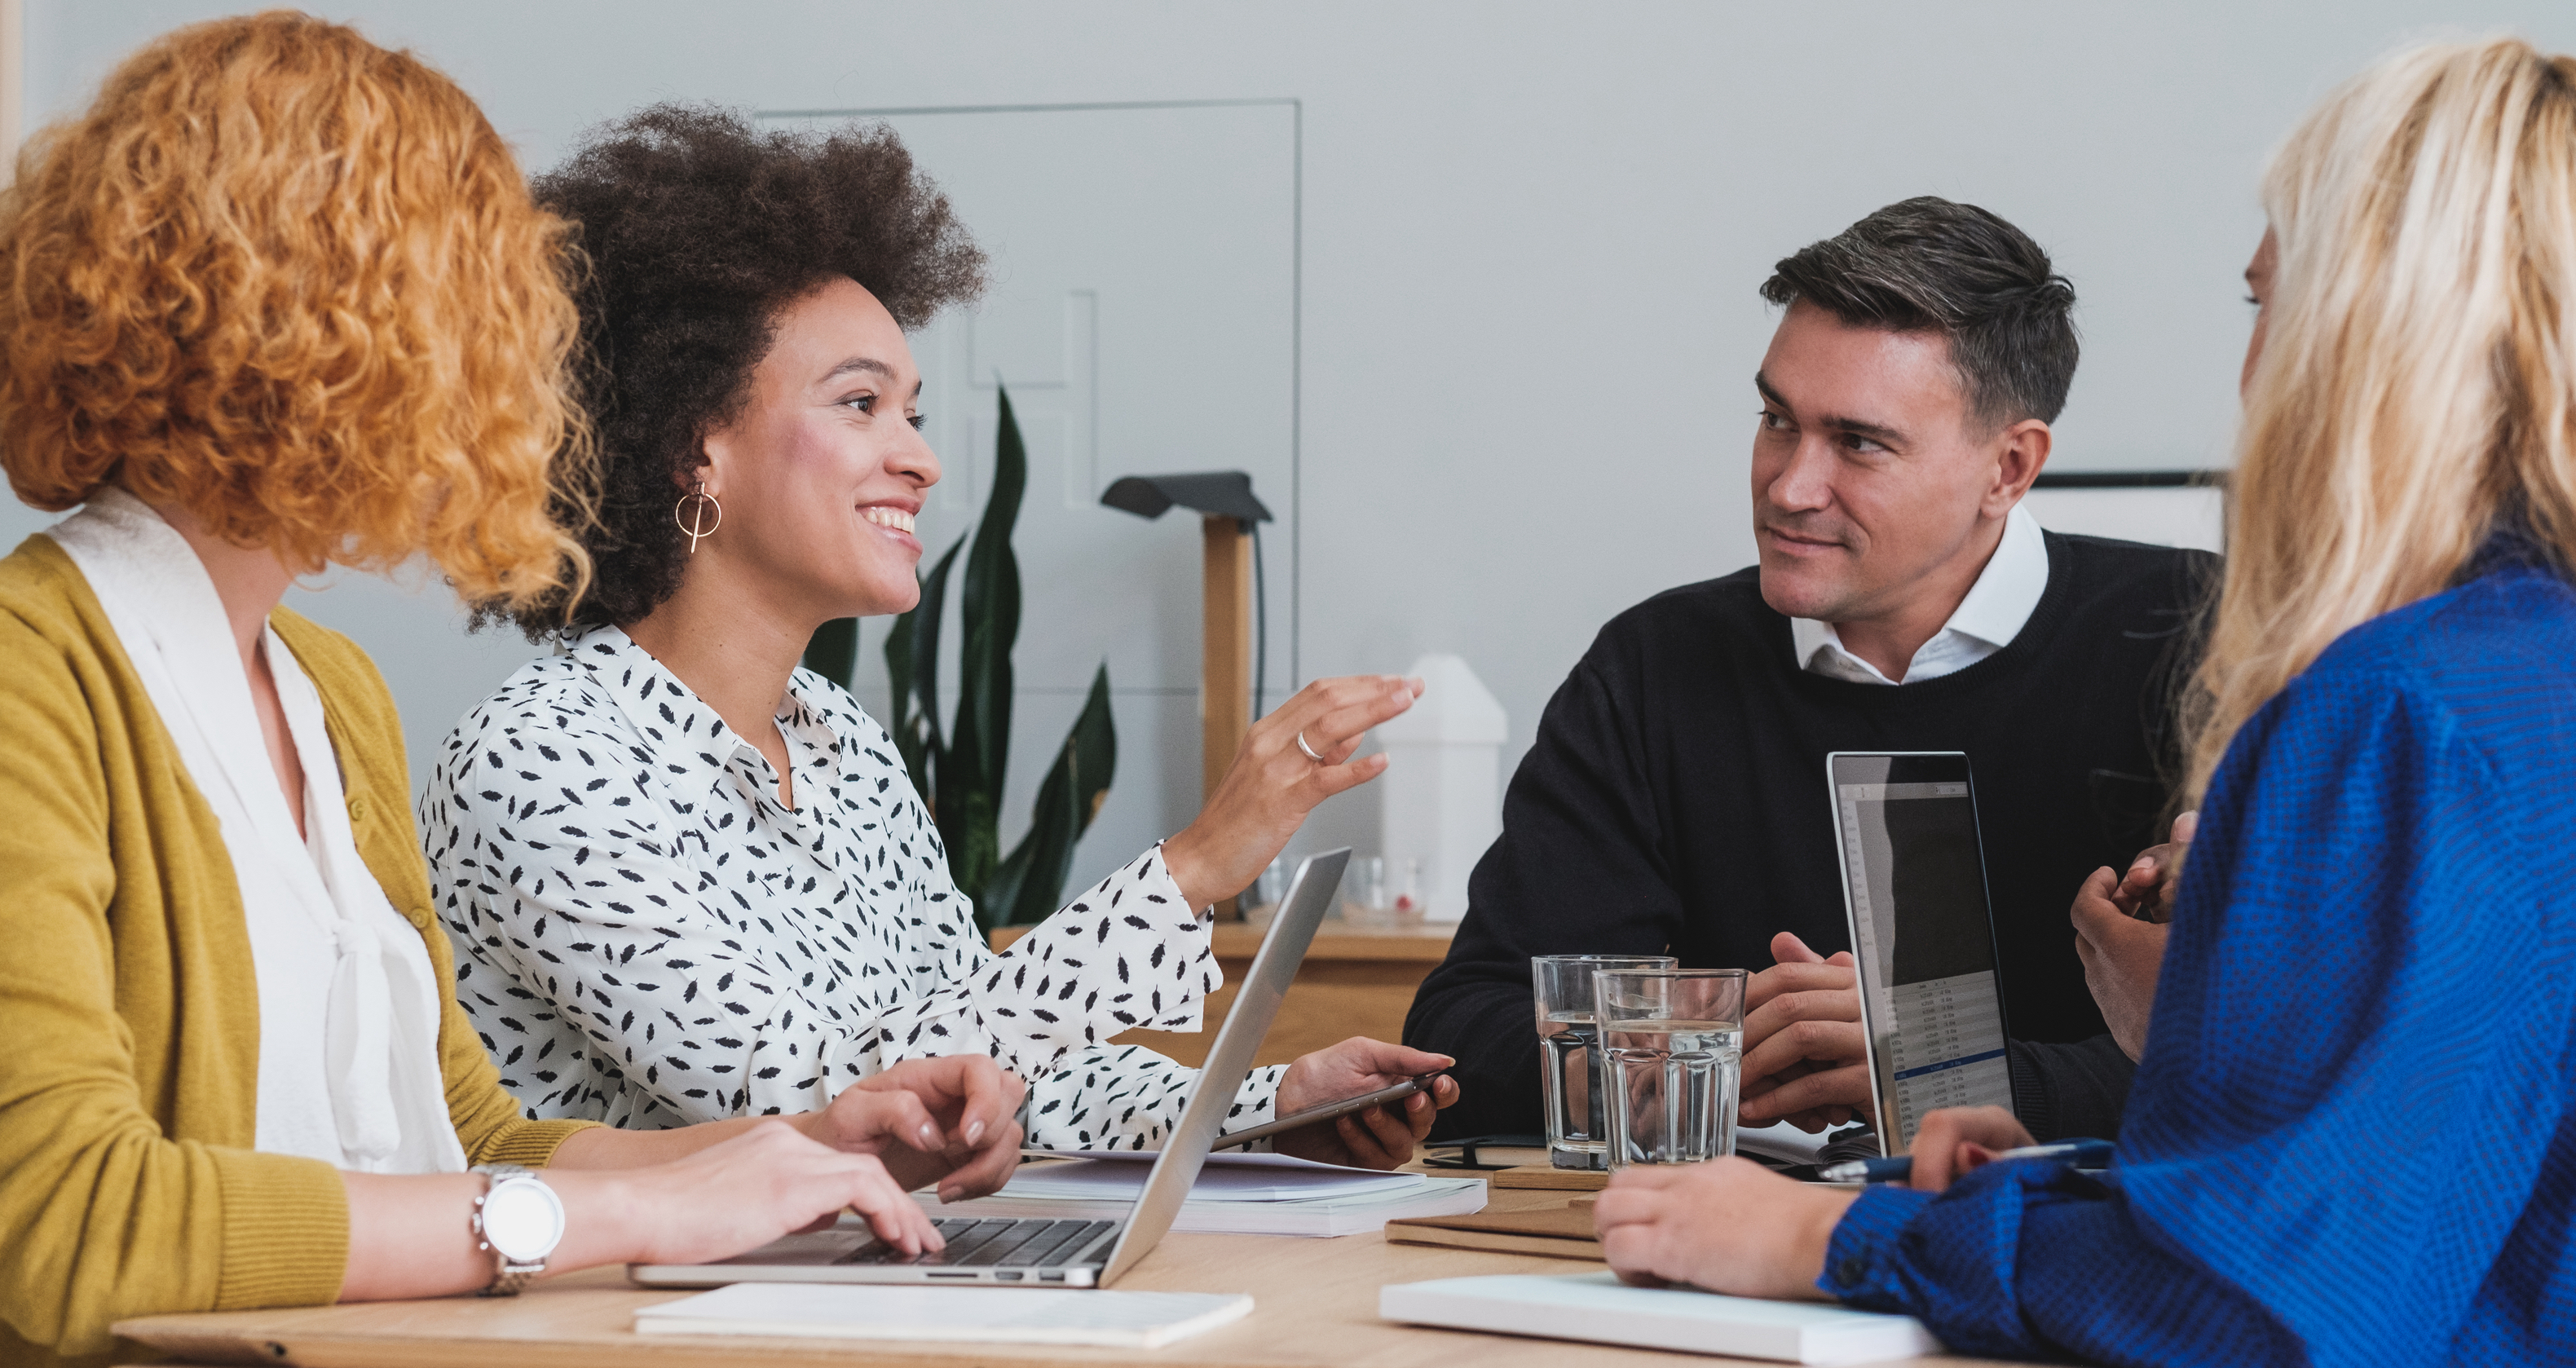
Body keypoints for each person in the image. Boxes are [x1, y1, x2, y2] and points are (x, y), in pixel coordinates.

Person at [0, 18, 1038, 1367]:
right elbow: (72, 1221)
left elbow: (465, 1144)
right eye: (470, 303)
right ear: (321, 323)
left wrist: (794, 1146)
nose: (511, 367)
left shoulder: (331, 693)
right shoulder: (34, 675)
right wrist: (622, 1206)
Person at [1595, 38, 2576, 1367]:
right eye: (1779, 422)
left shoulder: (2398, 708)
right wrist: (2073, 1171)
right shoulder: (2522, 672)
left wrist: (1822, 1241)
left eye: (2263, 306)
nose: (1790, 484)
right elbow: (2421, 1201)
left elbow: (2259, 1307)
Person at [421, 105, 1457, 1166]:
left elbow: (998, 1067)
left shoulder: (841, 741)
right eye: (861, 403)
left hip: (845, 1283)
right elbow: (831, 1104)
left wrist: (1275, 1101)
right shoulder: (539, 761)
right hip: (635, 1316)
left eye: (911, 410)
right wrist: (1193, 867)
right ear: (696, 450)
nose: (921, 459)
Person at [1405, 196, 2212, 1144]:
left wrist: (1930, 1075)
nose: (1787, 486)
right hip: (1717, 1256)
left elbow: (2302, 1057)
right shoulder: (1654, 666)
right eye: (1776, 419)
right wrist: (1700, 1043)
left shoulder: (2206, 643)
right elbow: (1464, 1027)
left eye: (1859, 443)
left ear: (2009, 467)